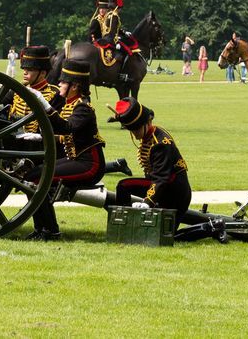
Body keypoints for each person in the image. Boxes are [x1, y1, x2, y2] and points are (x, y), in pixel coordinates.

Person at [27, 57, 107, 241]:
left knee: (39, 179)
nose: (59, 83)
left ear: (74, 86)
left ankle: (51, 231)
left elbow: (66, 127)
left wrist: (46, 106)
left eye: (63, 81)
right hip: (75, 160)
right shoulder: (68, 104)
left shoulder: (83, 108)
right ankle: (41, 229)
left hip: (89, 164)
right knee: (32, 176)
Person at [108, 97, 194, 233]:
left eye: (136, 129)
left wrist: (148, 202)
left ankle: (124, 226)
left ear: (146, 123)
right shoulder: (150, 134)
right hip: (162, 187)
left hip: (174, 192)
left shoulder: (160, 144)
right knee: (123, 187)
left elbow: (161, 178)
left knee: (167, 235)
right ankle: (124, 225)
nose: (134, 134)